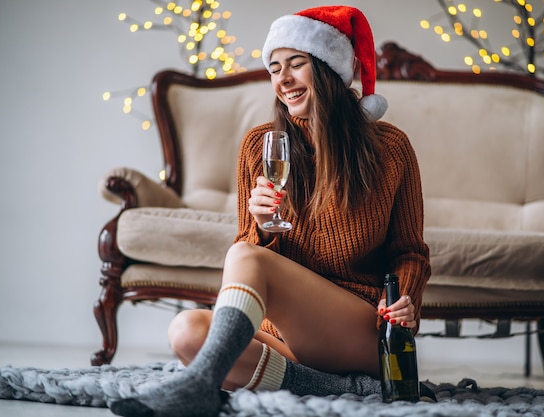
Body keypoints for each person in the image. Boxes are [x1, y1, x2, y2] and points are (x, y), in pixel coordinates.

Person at [110, 6, 430, 417]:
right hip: (287, 336)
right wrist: (261, 229)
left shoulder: (390, 147)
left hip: (363, 329)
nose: (283, 79)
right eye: (275, 68)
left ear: (329, 70)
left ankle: (201, 386)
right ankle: (338, 387)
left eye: (297, 64)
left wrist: (404, 299)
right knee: (187, 332)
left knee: (243, 258)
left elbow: (411, 252)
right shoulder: (260, 145)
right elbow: (249, 250)